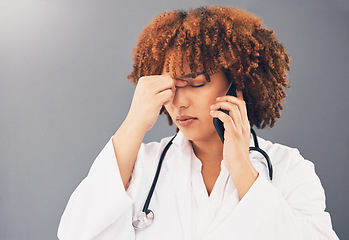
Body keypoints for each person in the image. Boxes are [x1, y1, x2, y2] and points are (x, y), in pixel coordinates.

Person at [57, 6, 339, 240]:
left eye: (195, 83)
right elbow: (76, 233)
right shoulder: (142, 165)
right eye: (171, 87)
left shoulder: (288, 168)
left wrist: (242, 168)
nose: (179, 102)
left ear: (236, 85)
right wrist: (133, 124)